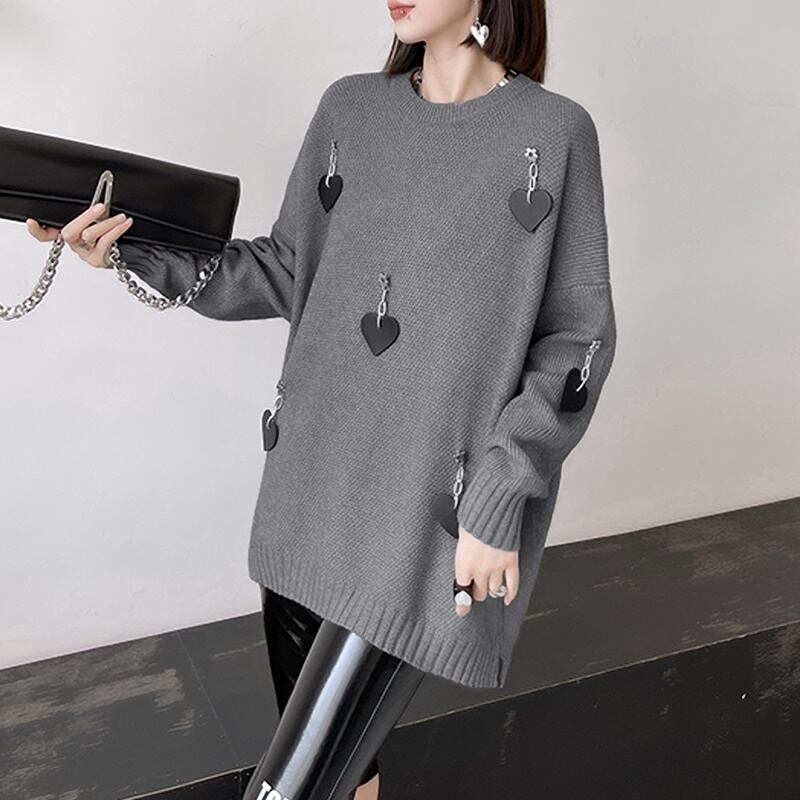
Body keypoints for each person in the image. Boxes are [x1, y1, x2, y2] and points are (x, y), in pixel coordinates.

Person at [27, 1, 618, 797]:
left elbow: (577, 341)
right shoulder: (351, 109)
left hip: (422, 524)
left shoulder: (554, 133)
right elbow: (283, 269)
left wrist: (496, 498)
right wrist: (129, 248)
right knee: (344, 780)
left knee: (290, 789)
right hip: (306, 498)